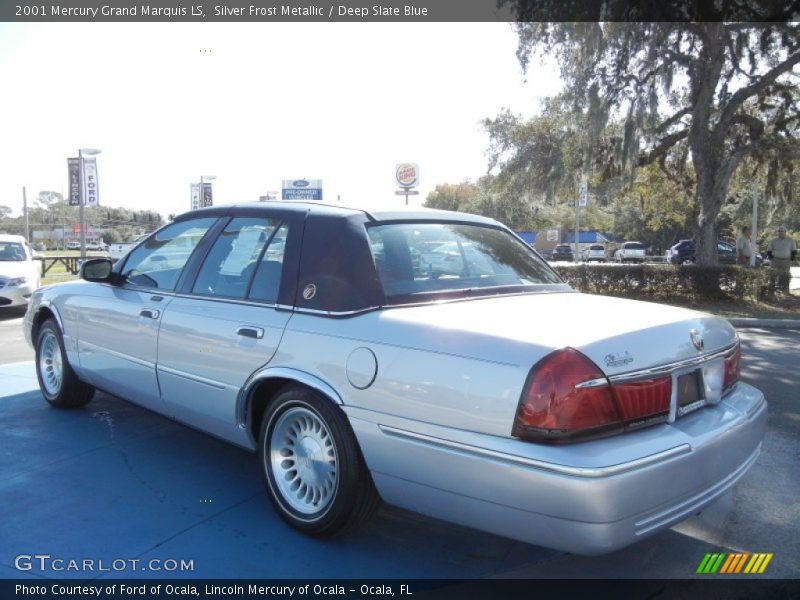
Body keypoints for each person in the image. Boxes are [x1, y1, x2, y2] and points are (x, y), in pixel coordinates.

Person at [766, 226, 797, 293]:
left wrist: (791, 259)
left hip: (786, 261)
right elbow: (769, 250)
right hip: (775, 260)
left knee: (785, 276)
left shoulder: (791, 240)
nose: (780, 232)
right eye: (779, 231)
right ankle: (771, 290)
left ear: (785, 232)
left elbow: (794, 250)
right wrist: (772, 259)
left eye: (782, 231)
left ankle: (785, 290)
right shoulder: (773, 240)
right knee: (773, 275)